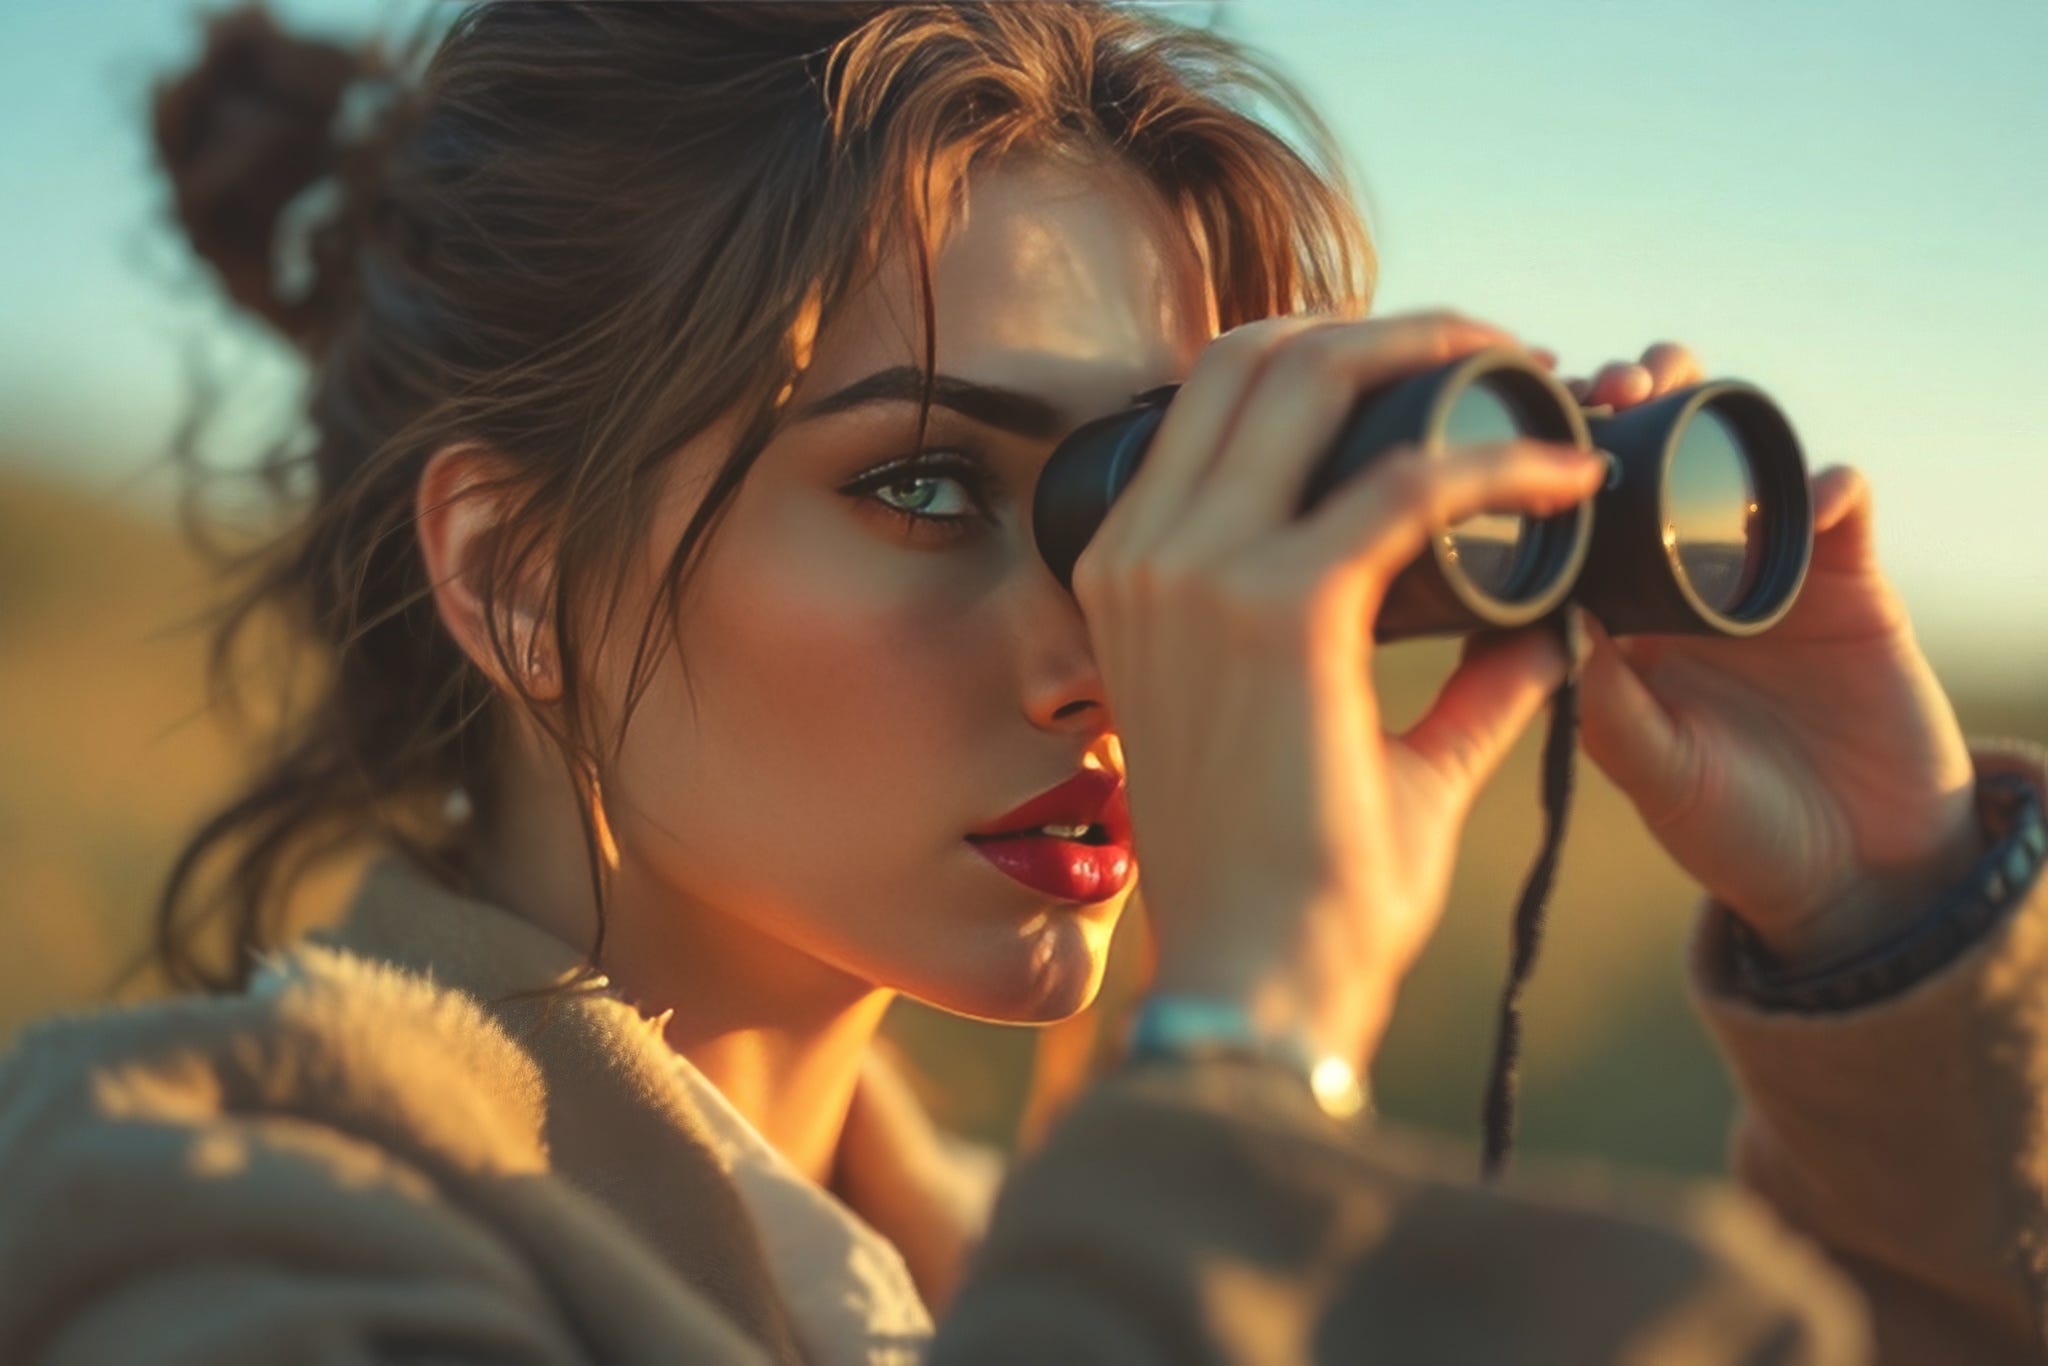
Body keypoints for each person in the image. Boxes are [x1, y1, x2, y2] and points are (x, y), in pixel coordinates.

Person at [0, 3, 2042, 1362]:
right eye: (920, 482)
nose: (1112, 648)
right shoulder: (179, 1209)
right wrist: (1243, 1035)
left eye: (1151, 495)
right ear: (512, 574)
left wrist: (1889, 924)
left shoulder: (1000, 1256)